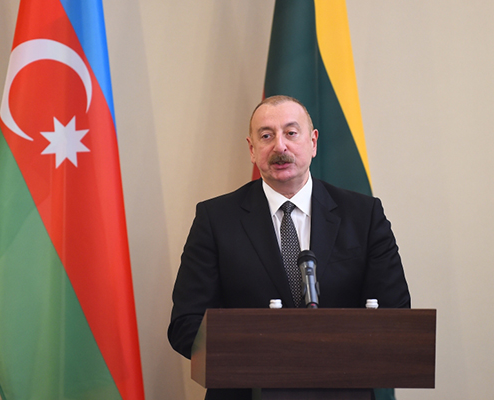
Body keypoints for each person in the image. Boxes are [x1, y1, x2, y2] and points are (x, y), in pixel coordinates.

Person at [168, 95, 410, 400]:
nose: (279, 146)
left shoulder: (363, 215)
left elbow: (395, 315)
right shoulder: (215, 219)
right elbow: (186, 324)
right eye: (266, 136)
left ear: (313, 142)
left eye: (291, 133)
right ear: (252, 149)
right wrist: (268, 356)